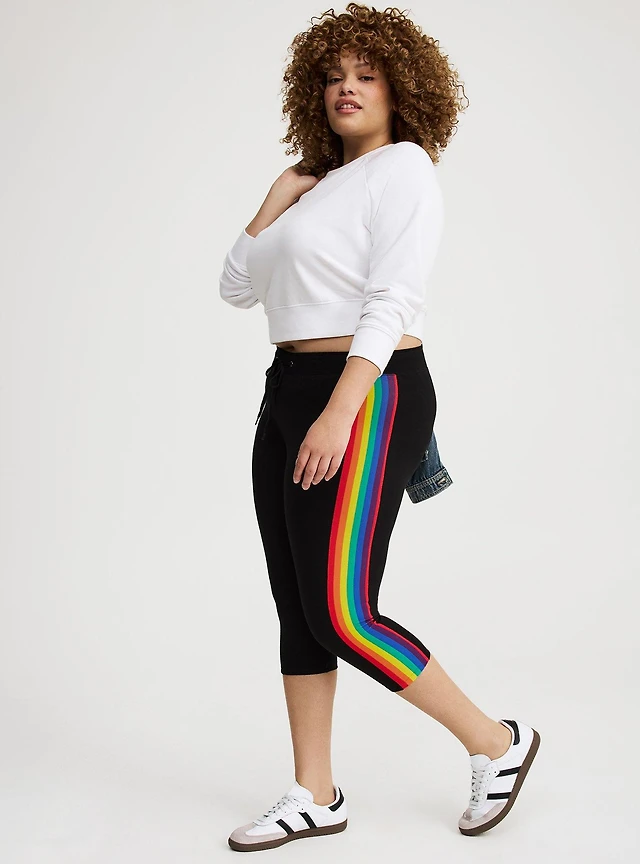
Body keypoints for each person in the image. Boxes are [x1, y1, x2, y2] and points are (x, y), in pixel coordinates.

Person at [218, 3, 540, 852]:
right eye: (333, 76)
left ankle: (496, 743)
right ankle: (314, 793)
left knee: (343, 611)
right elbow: (237, 288)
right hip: (287, 388)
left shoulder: (404, 169)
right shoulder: (316, 188)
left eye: (367, 74)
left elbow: (393, 300)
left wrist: (340, 410)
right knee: (299, 604)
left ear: (402, 88)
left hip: (367, 390)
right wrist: (274, 201)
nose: (347, 88)